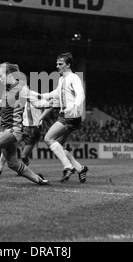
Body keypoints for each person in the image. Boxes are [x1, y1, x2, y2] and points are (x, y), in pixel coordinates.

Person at [0, 62, 51, 187]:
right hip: (5, 130)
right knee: (13, 163)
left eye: (1, 76)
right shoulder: (7, 89)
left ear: (9, 75)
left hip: (14, 130)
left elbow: (36, 102)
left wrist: (51, 103)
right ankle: (39, 180)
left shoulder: (22, 89)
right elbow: (3, 100)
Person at [39, 52, 89, 183]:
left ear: (68, 65)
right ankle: (80, 168)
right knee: (59, 147)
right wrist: (43, 96)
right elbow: (57, 93)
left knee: (48, 138)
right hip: (68, 116)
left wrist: (75, 106)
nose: (57, 66)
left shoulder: (73, 78)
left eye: (60, 64)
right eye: (57, 63)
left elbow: (80, 94)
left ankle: (68, 167)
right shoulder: (62, 79)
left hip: (69, 116)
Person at [0, 99, 54, 176]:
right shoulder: (22, 98)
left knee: (24, 156)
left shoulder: (37, 99)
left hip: (33, 130)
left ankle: (27, 171)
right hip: (23, 128)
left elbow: (51, 105)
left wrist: (40, 118)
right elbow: (5, 98)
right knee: (7, 144)